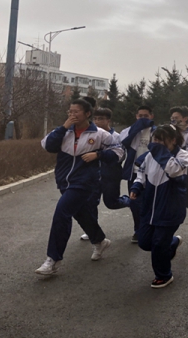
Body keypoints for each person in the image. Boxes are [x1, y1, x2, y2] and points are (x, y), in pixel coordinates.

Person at [36, 99, 124, 275]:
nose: (72, 115)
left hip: (85, 182)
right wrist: (63, 127)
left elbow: (119, 153)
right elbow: (47, 146)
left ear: (87, 114)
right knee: (81, 214)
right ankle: (99, 240)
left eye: (76, 112)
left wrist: (98, 155)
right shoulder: (63, 131)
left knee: (62, 213)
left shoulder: (100, 134)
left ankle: (53, 259)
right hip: (64, 181)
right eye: (70, 111)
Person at [129, 124, 188, 288]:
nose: (156, 143)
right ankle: (172, 242)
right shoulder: (150, 156)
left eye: (161, 140)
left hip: (170, 208)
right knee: (144, 242)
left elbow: (173, 171)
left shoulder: (183, 156)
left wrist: (158, 150)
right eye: (154, 139)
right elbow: (141, 173)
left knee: (158, 243)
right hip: (150, 207)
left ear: (173, 140)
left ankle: (163, 275)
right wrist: (136, 186)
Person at [80, 107, 130, 241]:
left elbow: (120, 156)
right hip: (93, 176)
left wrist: (101, 156)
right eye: (95, 119)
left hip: (111, 175)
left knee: (111, 203)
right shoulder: (91, 135)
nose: (97, 121)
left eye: (101, 119)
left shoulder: (116, 137)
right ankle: (92, 230)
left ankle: (129, 201)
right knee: (90, 203)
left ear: (108, 120)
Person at [119, 106, 156, 243]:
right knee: (135, 203)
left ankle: (151, 229)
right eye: (140, 116)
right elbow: (123, 143)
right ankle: (138, 230)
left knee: (151, 202)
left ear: (151, 116)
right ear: (136, 116)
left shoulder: (157, 131)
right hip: (134, 173)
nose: (142, 119)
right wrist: (135, 129)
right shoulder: (128, 131)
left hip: (152, 173)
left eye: (145, 116)